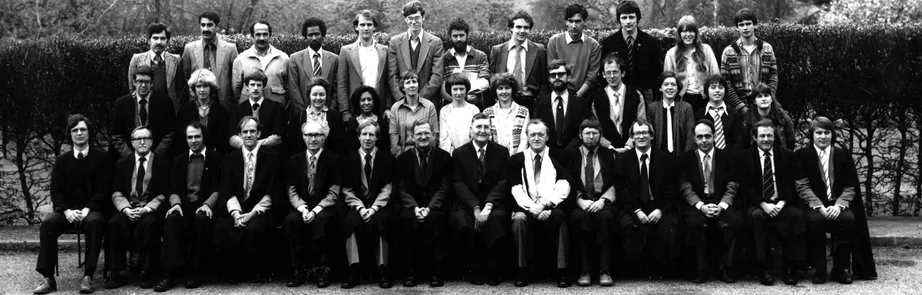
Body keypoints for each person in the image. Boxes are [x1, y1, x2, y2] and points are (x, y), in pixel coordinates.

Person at [795, 116, 876, 284]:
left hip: (838, 204)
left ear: (832, 134)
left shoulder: (841, 155)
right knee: (814, 221)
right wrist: (819, 207)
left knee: (848, 219)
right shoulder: (803, 155)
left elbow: (850, 185)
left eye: (827, 132)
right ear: (812, 135)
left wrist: (839, 206)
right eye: (819, 133)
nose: (823, 137)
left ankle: (840, 269)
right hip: (815, 205)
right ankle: (819, 269)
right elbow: (802, 186)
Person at [34, 115, 108, 294]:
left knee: (96, 222)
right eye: (75, 130)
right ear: (70, 134)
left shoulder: (102, 158)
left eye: (83, 129)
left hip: (91, 210)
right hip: (66, 211)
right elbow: (55, 190)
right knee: (49, 223)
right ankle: (48, 278)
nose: (79, 133)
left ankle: (88, 276)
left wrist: (87, 209)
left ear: (89, 132)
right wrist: (66, 211)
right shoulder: (62, 160)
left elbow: (103, 189)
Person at [736, 119, 807, 286]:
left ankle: (790, 268)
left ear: (775, 137)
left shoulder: (787, 155)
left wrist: (781, 203)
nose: (766, 139)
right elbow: (746, 188)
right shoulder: (744, 158)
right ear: (754, 137)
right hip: (758, 204)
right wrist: (763, 204)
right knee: (756, 217)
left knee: (796, 216)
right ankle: (763, 268)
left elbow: (791, 183)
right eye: (762, 136)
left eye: (769, 135)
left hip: (781, 202)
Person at [156, 122, 223, 291]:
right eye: (190, 137)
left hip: (206, 206)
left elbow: (219, 188)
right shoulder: (178, 160)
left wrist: (208, 204)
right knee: (171, 219)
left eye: (197, 136)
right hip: (184, 205)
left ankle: (194, 273)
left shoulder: (216, 158)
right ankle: (169, 275)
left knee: (201, 219)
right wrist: (176, 204)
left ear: (204, 137)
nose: (193, 140)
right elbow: (173, 188)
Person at [213, 116, 280, 283]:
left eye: (252, 131)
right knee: (223, 227)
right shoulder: (230, 158)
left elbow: (274, 189)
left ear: (259, 133)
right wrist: (236, 214)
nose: (249, 135)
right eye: (245, 132)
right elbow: (226, 188)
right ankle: (233, 273)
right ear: (239, 135)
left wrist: (252, 214)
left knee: (254, 229)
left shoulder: (272, 157)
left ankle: (256, 272)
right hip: (238, 207)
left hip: (261, 209)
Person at [507, 119, 571, 288]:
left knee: (560, 219)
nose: (536, 138)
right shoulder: (516, 159)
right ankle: (521, 270)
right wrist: (533, 208)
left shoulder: (559, 156)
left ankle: (562, 271)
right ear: (527, 137)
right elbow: (516, 189)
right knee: (519, 219)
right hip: (525, 207)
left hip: (550, 206)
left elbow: (563, 185)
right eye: (532, 134)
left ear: (547, 136)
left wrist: (544, 205)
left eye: (540, 134)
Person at [105, 126, 170, 290]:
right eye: (137, 139)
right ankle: (117, 271)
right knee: (115, 222)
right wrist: (126, 209)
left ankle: (147, 271)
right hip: (129, 208)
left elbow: (163, 193)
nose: (142, 142)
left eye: (146, 138)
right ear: (132, 143)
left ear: (152, 141)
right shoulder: (122, 163)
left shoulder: (161, 163)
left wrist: (147, 209)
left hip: (149, 208)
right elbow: (116, 192)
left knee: (149, 223)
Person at [679, 119, 743, 284]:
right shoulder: (686, 159)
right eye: (700, 137)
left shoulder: (726, 157)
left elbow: (732, 184)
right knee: (694, 224)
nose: (704, 140)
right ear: (694, 138)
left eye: (708, 136)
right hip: (699, 202)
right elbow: (685, 186)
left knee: (734, 222)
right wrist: (701, 206)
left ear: (714, 136)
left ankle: (726, 268)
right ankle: (701, 269)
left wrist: (721, 206)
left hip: (720, 201)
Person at [450, 113, 511, 285]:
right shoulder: (460, 153)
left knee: (497, 219)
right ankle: (474, 268)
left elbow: (503, 181)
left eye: (486, 127)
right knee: (462, 219)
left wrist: (489, 206)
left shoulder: (501, 152)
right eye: (478, 127)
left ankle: (494, 269)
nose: (482, 131)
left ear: (490, 131)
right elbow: (457, 183)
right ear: (471, 130)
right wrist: (476, 207)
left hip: (494, 203)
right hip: (468, 204)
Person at [615, 119, 679, 280]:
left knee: (669, 227)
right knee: (631, 226)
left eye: (645, 133)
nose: (641, 136)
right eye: (637, 133)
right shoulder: (623, 159)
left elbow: (671, 189)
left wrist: (660, 210)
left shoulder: (665, 158)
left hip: (659, 205)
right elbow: (622, 190)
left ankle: (661, 270)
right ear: (632, 137)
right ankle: (638, 271)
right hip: (633, 206)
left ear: (651, 136)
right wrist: (637, 210)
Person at [285, 121, 342, 288]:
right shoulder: (294, 160)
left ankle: (323, 269)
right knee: (292, 221)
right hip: (301, 205)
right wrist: (303, 209)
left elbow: (334, 192)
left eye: (317, 135)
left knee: (322, 220)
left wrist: (315, 210)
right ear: (303, 138)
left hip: (324, 205)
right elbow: (291, 189)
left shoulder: (334, 159)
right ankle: (298, 270)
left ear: (323, 138)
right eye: (309, 135)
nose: (313, 139)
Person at [339, 119, 394, 289]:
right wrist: (361, 208)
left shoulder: (386, 158)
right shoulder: (349, 158)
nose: (368, 138)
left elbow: (388, 186)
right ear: (358, 136)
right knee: (350, 221)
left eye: (372, 134)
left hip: (379, 205)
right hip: (357, 205)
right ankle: (353, 269)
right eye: (364, 134)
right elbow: (346, 189)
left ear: (377, 137)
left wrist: (375, 207)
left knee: (381, 220)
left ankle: (383, 270)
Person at [396, 121, 451, 287]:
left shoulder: (443, 157)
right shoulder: (403, 159)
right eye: (419, 133)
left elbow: (444, 186)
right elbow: (401, 189)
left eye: (427, 133)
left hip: (434, 206)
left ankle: (436, 273)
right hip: (412, 206)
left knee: (435, 220)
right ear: (412, 136)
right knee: (407, 219)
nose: (423, 137)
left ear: (433, 134)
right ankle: (411, 273)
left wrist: (429, 208)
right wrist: (415, 208)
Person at [566, 118, 616, 287]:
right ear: (581, 135)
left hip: (603, 200)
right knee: (579, 219)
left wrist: (603, 201)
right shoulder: (571, 154)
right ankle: (584, 271)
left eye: (595, 133)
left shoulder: (609, 154)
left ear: (600, 135)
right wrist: (579, 200)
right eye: (587, 133)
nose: (591, 136)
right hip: (580, 201)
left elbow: (617, 181)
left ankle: (604, 270)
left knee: (606, 218)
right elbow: (566, 182)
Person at [599, 0, 662, 103]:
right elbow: (603, 72)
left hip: (645, 93)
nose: (628, 21)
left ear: (637, 19)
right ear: (619, 20)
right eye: (624, 18)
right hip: (618, 92)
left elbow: (657, 72)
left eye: (631, 17)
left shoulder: (650, 42)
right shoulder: (609, 43)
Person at [720, 8, 779, 115]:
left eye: (748, 24)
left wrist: (768, 98)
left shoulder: (767, 49)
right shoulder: (729, 52)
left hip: (763, 103)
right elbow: (726, 83)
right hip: (739, 106)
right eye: (741, 25)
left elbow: (773, 77)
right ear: (737, 28)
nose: (745, 28)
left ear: (755, 25)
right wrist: (739, 106)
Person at [110, 66, 176, 160]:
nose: (143, 85)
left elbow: (170, 131)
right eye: (140, 81)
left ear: (152, 83)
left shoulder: (164, 102)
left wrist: (156, 155)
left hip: (157, 158)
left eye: (147, 82)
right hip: (129, 158)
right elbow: (115, 134)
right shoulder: (122, 103)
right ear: (134, 83)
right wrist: (130, 156)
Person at [387, 0, 444, 106]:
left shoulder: (436, 43)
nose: (414, 22)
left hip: (427, 103)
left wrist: (419, 99)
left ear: (423, 17)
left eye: (417, 18)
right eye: (410, 18)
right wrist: (402, 99)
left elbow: (437, 75)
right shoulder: (395, 42)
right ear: (405, 19)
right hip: (402, 104)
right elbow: (392, 75)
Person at [337, 10, 391, 121]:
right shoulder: (346, 51)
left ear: (374, 27)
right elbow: (342, 83)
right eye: (362, 24)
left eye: (369, 24)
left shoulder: (384, 51)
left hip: (379, 108)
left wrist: (388, 107)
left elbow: (388, 82)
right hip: (354, 110)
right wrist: (345, 111)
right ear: (356, 27)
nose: (366, 28)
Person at [489, 10, 548, 111]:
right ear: (511, 28)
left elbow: (544, 81)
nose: (522, 31)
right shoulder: (497, 50)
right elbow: (492, 77)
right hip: (506, 100)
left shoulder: (539, 50)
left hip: (531, 100)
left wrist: (540, 101)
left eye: (526, 27)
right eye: (518, 27)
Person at [590, 53, 646, 153]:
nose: (612, 76)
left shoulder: (636, 95)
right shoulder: (597, 98)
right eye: (608, 72)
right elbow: (595, 127)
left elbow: (641, 122)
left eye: (615, 72)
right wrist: (610, 147)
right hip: (607, 151)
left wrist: (628, 146)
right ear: (603, 74)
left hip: (632, 150)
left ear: (623, 73)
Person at [182, 11, 238, 110]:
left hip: (223, 104)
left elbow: (235, 79)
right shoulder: (189, 49)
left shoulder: (231, 49)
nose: (205, 29)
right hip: (198, 102)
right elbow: (184, 77)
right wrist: (193, 95)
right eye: (203, 25)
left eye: (209, 25)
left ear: (218, 27)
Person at [663, 16, 720, 113]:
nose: (688, 34)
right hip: (681, 100)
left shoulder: (706, 50)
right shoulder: (671, 54)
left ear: (696, 33)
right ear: (679, 34)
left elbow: (716, 76)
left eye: (691, 31)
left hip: (704, 98)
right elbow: (667, 81)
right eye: (684, 31)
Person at [546, 4, 601, 100]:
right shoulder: (554, 42)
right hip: (559, 94)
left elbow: (592, 75)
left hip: (583, 95)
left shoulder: (593, 45)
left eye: (578, 21)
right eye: (570, 21)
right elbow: (552, 72)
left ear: (584, 22)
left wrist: (578, 95)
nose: (574, 26)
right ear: (566, 22)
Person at [128, 22, 186, 112]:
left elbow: (180, 87)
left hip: (169, 110)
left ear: (168, 41)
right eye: (155, 38)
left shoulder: (176, 60)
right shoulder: (137, 59)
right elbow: (132, 86)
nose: (159, 42)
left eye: (162, 38)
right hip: (145, 110)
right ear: (148, 40)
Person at [533, 60, 590, 150]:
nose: (556, 78)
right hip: (548, 155)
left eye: (560, 74)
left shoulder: (580, 103)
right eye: (553, 75)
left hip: (574, 155)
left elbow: (584, 130)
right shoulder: (540, 104)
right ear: (549, 79)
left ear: (568, 77)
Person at [232, 21, 290, 106]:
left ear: (270, 35)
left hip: (276, 111)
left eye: (265, 34)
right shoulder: (241, 59)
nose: (262, 38)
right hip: (249, 111)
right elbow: (236, 89)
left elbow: (289, 88)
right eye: (258, 34)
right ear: (252, 36)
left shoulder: (283, 58)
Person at [288, 18, 339, 113]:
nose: (314, 38)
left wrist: (330, 111)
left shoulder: (334, 59)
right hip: (304, 114)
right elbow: (293, 89)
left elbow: (336, 89)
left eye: (317, 34)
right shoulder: (295, 59)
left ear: (323, 35)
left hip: (328, 114)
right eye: (310, 35)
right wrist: (304, 113)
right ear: (305, 37)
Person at [174, 69, 230, 155]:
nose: (202, 90)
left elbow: (223, 139)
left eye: (205, 86)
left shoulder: (220, 110)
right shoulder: (185, 110)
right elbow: (180, 137)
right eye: (198, 86)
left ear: (211, 88)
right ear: (194, 88)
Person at [440, 17, 491, 109]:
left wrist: (465, 92)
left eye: (461, 35)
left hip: (475, 106)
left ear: (467, 35)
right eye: (455, 36)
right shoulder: (444, 59)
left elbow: (485, 80)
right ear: (450, 36)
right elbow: (442, 86)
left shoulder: (480, 56)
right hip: (451, 108)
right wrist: (461, 98)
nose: (459, 39)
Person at [228, 70, 284, 150]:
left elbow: (278, 137)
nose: (255, 88)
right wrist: (248, 146)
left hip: (268, 153)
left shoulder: (275, 108)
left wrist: (255, 146)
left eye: (259, 85)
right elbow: (232, 137)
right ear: (247, 87)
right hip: (244, 154)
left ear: (263, 87)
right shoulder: (238, 109)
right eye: (252, 85)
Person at [288, 77, 345, 154]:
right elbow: (293, 145)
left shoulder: (335, 117)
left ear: (326, 95)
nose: (318, 98)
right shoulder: (299, 117)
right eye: (314, 94)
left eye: (321, 94)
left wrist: (328, 135)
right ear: (309, 95)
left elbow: (341, 145)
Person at [388, 70, 439, 155]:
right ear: (403, 87)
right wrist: (399, 156)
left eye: (414, 82)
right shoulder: (395, 108)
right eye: (408, 82)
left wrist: (429, 156)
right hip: (403, 153)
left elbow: (434, 135)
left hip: (425, 151)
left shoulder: (429, 106)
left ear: (418, 85)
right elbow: (394, 136)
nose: (411, 85)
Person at [646, 71, 696, 156]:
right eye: (666, 84)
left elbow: (690, 136)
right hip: (659, 157)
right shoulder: (652, 108)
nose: (670, 87)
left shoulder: (686, 108)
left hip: (681, 157)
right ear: (660, 88)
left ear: (677, 88)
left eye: (673, 84)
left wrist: (686, 157)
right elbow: (650, 135)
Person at [482, 73, 530, 154]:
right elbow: (487, 139)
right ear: (495, 91)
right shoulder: (487, 113)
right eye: (500, 88)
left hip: (517, 158)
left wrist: (517, 159)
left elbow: (524, 139)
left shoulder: (523, 111)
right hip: (495, 159)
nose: (504, 92)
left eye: (507, 88)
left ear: (512, 89)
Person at [695, 74, 744, 152]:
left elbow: (739, 142)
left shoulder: (734, 114)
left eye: (721, 87)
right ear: (707, 90)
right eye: (713, 87)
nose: (717, 90)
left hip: (730, 159)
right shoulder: (699, 115)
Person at [741, 83, 795, 150]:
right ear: (754, 101)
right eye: (759, 96)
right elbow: (745, 147)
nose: (763, 99)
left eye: (766, 95)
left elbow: (791, 141)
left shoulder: (783, 118)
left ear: (771, 99)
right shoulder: (748, 122)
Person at [438, 73, 480, 154]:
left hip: (470, 154)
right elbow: (444, 138)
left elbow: (475, 135)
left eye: (461, 89)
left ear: (466, 89)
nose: (458, 92)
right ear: (450, 90)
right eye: (455, 89)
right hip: (451, 154)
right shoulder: (445, 111)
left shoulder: (474, 109)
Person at [345, 86, 391, 151]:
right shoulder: (352, 125)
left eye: (369, 99)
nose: (366, 103)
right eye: (363, 100)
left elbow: (386, 148)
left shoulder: (382, 124)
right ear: (358, 102)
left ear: (374, 101)